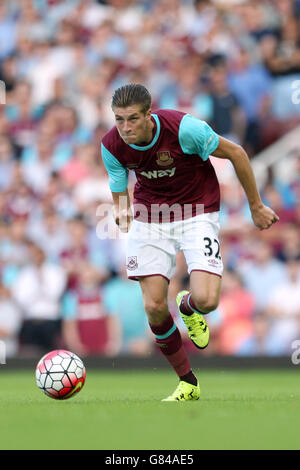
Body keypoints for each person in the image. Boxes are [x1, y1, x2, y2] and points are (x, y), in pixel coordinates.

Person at [101, 83, 279, 402]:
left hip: (197, 211)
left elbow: (236, 153)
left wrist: (256, 205)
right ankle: (188, 382)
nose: (125, 128)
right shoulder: (111, 145)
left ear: (149, 115)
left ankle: (188, 306)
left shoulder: (185, 129)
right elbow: (119, 194)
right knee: (154, 306)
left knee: (208, 301)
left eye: (132, 119)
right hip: (151, 217)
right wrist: (122, 212)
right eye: (119, 120)